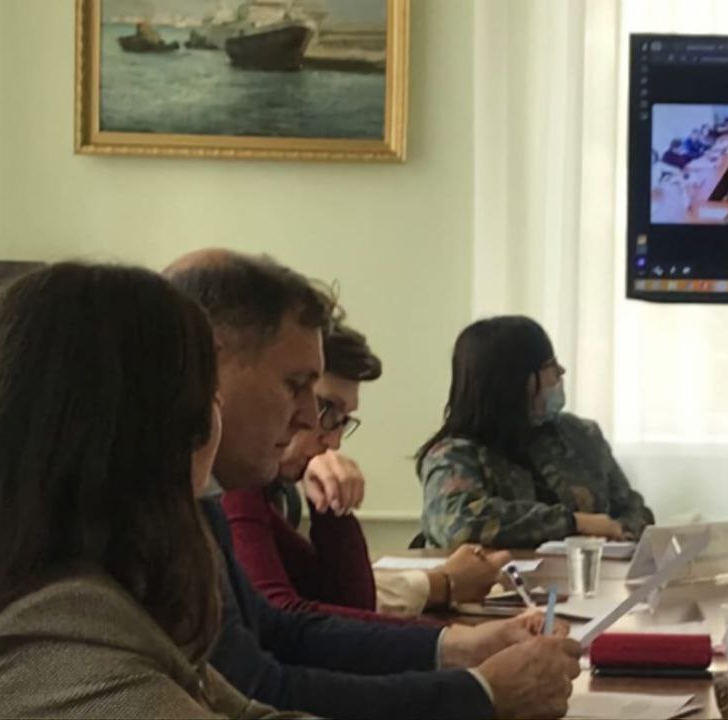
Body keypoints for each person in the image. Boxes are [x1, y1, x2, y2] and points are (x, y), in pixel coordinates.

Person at [167, 250, 581, 720]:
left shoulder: (203, 497)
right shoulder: (155, 516)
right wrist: (481, 693)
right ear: (209, 365)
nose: (309, 419)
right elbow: (258, 691)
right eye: (296, 385)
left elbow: (281, 631)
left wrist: (462, 647)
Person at [0, 263, 282, 718]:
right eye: (209, 392)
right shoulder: (63, 638)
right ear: (161, 432)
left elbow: (247, 712)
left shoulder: (85, 594)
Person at [223, 320, 511, 624]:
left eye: (343, 420)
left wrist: (332, 504)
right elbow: (281, 619)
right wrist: (453, 641)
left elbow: (353, 600)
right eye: (326, 409)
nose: (333, 441)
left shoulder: (265, 490)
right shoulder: (235, 482)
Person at [418, 316, 656, 549]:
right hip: (500, 575)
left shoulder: (583, 436)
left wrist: (621, 531)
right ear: (515, 380)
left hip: (591, 572)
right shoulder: (453, 455)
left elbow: (635, 510)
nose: (561, 371)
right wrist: (574, 523)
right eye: (550, 365)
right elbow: (459, 525)